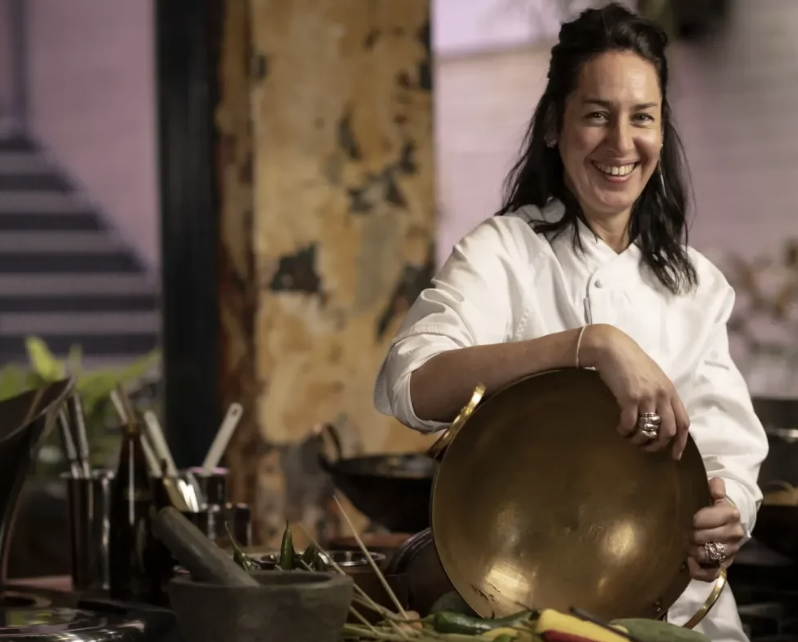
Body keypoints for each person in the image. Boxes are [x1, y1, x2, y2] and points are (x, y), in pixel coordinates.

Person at [373, 3, 768, 641]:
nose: (621, 143)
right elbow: (411, 384)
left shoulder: (695, 286)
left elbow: (728, 458)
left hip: (675, 614)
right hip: (524, 611)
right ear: (555, 125)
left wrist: (726, 518)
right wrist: (591, 345)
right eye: (596, 115)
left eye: (642, 117)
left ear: (662, 131)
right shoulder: (504, 252)